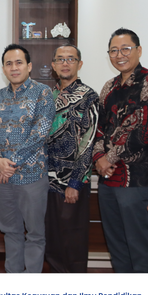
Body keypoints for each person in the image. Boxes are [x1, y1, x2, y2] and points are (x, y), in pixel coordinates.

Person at [92, 28, 148, 273]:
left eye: (125, 49)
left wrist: (109, 158)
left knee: (141, 246)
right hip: (107, 181)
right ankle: (125, 294)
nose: (119, 55)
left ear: (139, 50)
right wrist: (98, 158)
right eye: (113, 50)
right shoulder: (109, 87)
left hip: (137, 181)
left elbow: (145, 131)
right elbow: (100, 128)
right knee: (117, 247)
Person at [0, 44, 56, 273]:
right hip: (4, 178)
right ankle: (13, 280)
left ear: (29, 66)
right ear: (3, 69)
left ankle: (31, 285)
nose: (14, 67)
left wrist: (11, 162)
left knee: (35, 234)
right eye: (9, 63)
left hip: (32, 176)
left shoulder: (43, 93)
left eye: (19, 62)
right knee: (10, 231)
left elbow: (40, 133)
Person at [45, 45, 99, 273]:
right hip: (46, 181)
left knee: (72, 241)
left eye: (71, 59)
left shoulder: (89, 97)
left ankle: (75, 290)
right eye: (60, 59)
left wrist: (75, 183)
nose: (65, 63)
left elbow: (89, 141)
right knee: (52, 241)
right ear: (53, 65)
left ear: (80, 64)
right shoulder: (48, 96)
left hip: (72, 183)